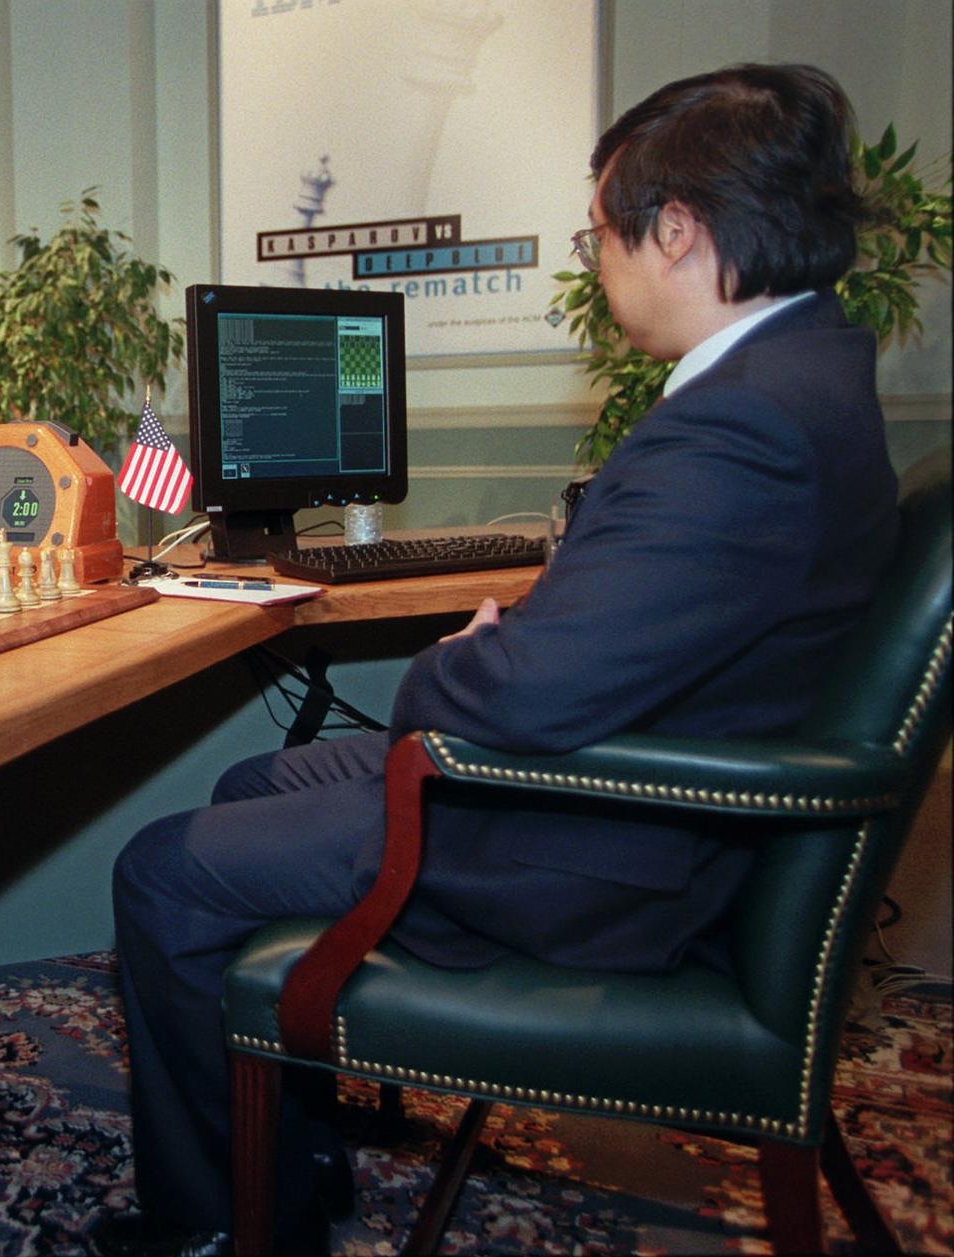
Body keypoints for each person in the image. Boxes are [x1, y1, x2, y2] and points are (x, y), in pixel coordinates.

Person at [106, 63, 898, 1256]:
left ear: (675, 231)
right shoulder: (808, 377)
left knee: (164, 872)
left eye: (599, 241)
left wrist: (457, 660)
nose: (600, 268)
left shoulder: (745, 427)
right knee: (253, 783)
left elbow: (526, 691)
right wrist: (524, 644)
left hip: (604, 849)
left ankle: (217, 1233)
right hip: (650, 801)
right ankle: (292, 1169)